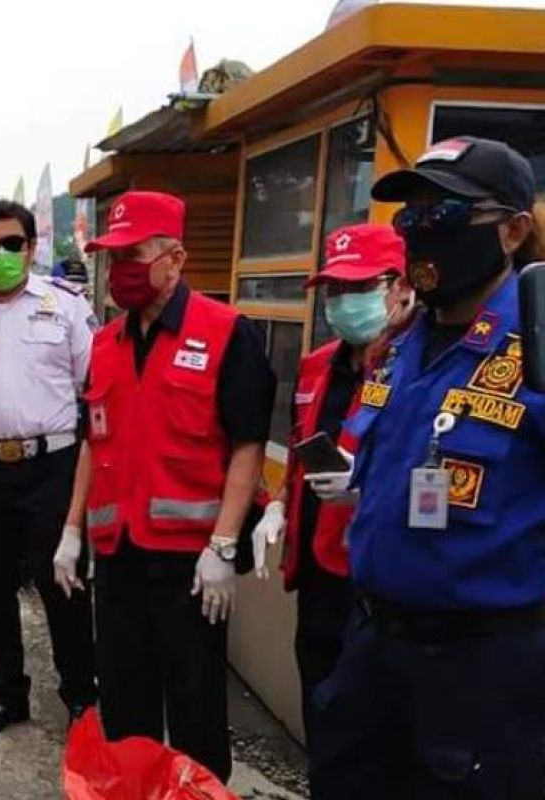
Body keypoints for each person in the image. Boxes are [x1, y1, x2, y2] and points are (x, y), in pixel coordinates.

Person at [308, 136, 545, 798]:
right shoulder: (401, 344)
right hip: (375, 646)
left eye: (443, 216)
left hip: (481, 667)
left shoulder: (535, 345)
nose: (421, 235)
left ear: (513, 230)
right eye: (410, 219)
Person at [55, 190, 275, 781]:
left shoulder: (228, 333)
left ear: (175, 258)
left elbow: (249, 445)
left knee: (196, 709)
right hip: (119, 556)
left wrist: (224, 545)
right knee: (126, 710)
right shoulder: (106, 343)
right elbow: (90, 441)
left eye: (134, 254)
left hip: (190, 566)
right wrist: (71, 530)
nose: (121, 269)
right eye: (114, 256)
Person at [250, 222, 413, 752]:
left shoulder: (420, 366)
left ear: (400, 285)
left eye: (358, 288)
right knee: (320, 718)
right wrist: (277, 506)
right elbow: (301, 446)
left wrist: (370, 488)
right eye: (335, 290)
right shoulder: (317, 365)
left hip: (380, 583)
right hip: (317, 574)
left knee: (372, 741)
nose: (344, 302)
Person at [0, 200, 97, 738]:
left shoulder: (64, 306)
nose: (0, 254)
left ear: (31, 247)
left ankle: (81, 696)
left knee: (61, 584)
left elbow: (95, 387)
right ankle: (6, 697)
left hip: (53, 467)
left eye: (11, 244)